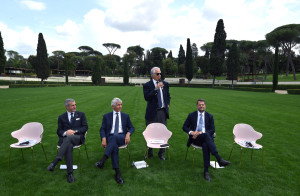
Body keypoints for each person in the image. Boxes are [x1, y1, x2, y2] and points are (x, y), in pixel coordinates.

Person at [182, 99, 230, 182]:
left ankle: (206, 171)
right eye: (200, 105)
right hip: (195, 139)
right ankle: (219, 159)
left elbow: (212, 129)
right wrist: (192, 132)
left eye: (203, 104)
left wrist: (201, 132)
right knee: (207, 136)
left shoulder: (209, 116)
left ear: (205, 106)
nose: (201, 106)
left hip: (205, 139)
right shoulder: (191, 115)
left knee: (205, 144)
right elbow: (184, 127)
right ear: (197, 106)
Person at [47, 98, 88, 183]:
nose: (75, 106)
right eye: (72, 105)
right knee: (68, 144)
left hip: (77, 138)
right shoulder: (61, 117)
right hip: (66, 140)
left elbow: (85, 127)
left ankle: (55, 161)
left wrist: (74, 131)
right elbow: (59, 131)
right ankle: (70, 174)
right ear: (67, 107)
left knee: (68, 138)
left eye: (75, 105)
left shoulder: (81, 114)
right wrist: (66, 132)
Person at [94, 98, 135, 184]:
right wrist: (103, 139)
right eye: (118, 105)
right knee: (114, 147)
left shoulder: (125, 116)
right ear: (113, 106)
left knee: (114, 138)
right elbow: (102, 129)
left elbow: (132, 127)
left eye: (121, 104)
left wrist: (128, 134)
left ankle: (103, 160)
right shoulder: (106, 116)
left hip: (122, 137)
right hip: (110, 137)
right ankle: (117, 173)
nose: (120, 106)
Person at [143, 67, 171, 160]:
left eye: (160, 73)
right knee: (150, 133)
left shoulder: (165, 84)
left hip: (162, 112)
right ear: (152, 75)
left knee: (163, 132)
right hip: (152, 113)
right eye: (158, 74)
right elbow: (147, 97)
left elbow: (168, 96)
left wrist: (167, 104)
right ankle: (149, 152)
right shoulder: (147, 85)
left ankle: (161, 153)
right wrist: (156, 89)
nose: (160, 75)